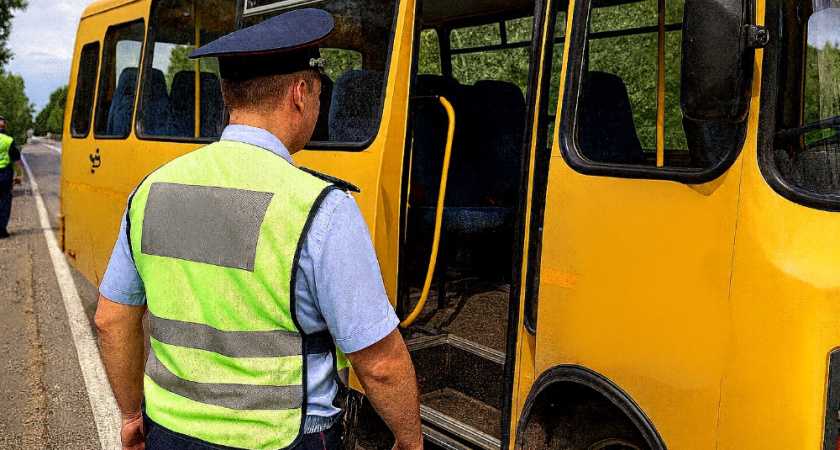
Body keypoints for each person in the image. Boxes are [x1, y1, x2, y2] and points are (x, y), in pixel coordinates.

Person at [94, 8, 422, 450]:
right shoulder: (322, 209)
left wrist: (133, 414)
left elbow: (111, 320)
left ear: (228, 94)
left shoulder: (150, 192)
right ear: (301, 94)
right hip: (283, 440)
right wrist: (409, 440)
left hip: (170, 432)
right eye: (320, 92)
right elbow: (380, 364)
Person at [0, 117, 23, 239]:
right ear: (4, 127)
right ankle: (1, 230)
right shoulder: (8, 140)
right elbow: (17, 159)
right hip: (4, 175)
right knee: (4, 201)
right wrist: (19, 174)